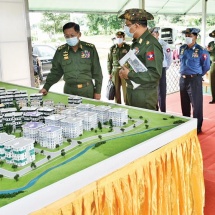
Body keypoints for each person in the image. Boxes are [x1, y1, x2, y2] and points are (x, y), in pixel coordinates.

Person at [39, 22, 103, 100]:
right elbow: (55, 72)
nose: (70, 38)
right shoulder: (61, 51)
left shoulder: (90, 49)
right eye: (67, 36)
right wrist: (46, 87)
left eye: (72, 35)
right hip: (69, 91)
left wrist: (98, 91)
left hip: (87, 90)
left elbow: (97, 71)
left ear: (79, 34)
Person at [118, 8, 163, 110]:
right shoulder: (137, 43)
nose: (126, 28)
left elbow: (154, 74)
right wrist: (125, 71)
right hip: (133, 92)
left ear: (136, 25)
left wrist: (129, 74)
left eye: (128, 25)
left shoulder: (151, 44)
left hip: (144, 96)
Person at [179, 28, 210, 134]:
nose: (187, 37)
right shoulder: (182, 48)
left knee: (196, 105)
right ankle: (186, 125)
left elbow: (206, 66)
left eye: (190, 35)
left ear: (196, 37)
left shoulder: (201, 50)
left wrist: (197, 75)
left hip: (194, 79)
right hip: (183, 79)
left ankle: (197, 127)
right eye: (186, 35)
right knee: (184, 103)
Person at [150, 27, 172, 112]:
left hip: (162, 69)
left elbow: (169, 58)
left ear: (158, 34)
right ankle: (155, 109)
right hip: (152, 70)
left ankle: (163, 111)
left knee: (162, 91)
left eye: (154, 34)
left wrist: (165, 67)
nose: (152, 36)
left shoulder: (164, 44)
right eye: (151, 35)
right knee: (153, 90)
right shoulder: (149, 44)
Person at [107, 31, 130, 104]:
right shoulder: (112, 48)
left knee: (125, 89)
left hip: (124, 70)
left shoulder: (128, 47)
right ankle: (118, 105)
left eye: (120, 37)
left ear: (124, 38)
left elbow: (131, 59)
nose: (119, 39)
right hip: (115, 70)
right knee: (116, 90)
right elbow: (109, 61)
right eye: (118, 37)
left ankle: (127, 104)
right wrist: (109, 72)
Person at [207, 30, 215, 104]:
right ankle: (214, 98)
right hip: (213, 64)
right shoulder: (211, 44)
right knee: (212, 82)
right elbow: (207, 52)